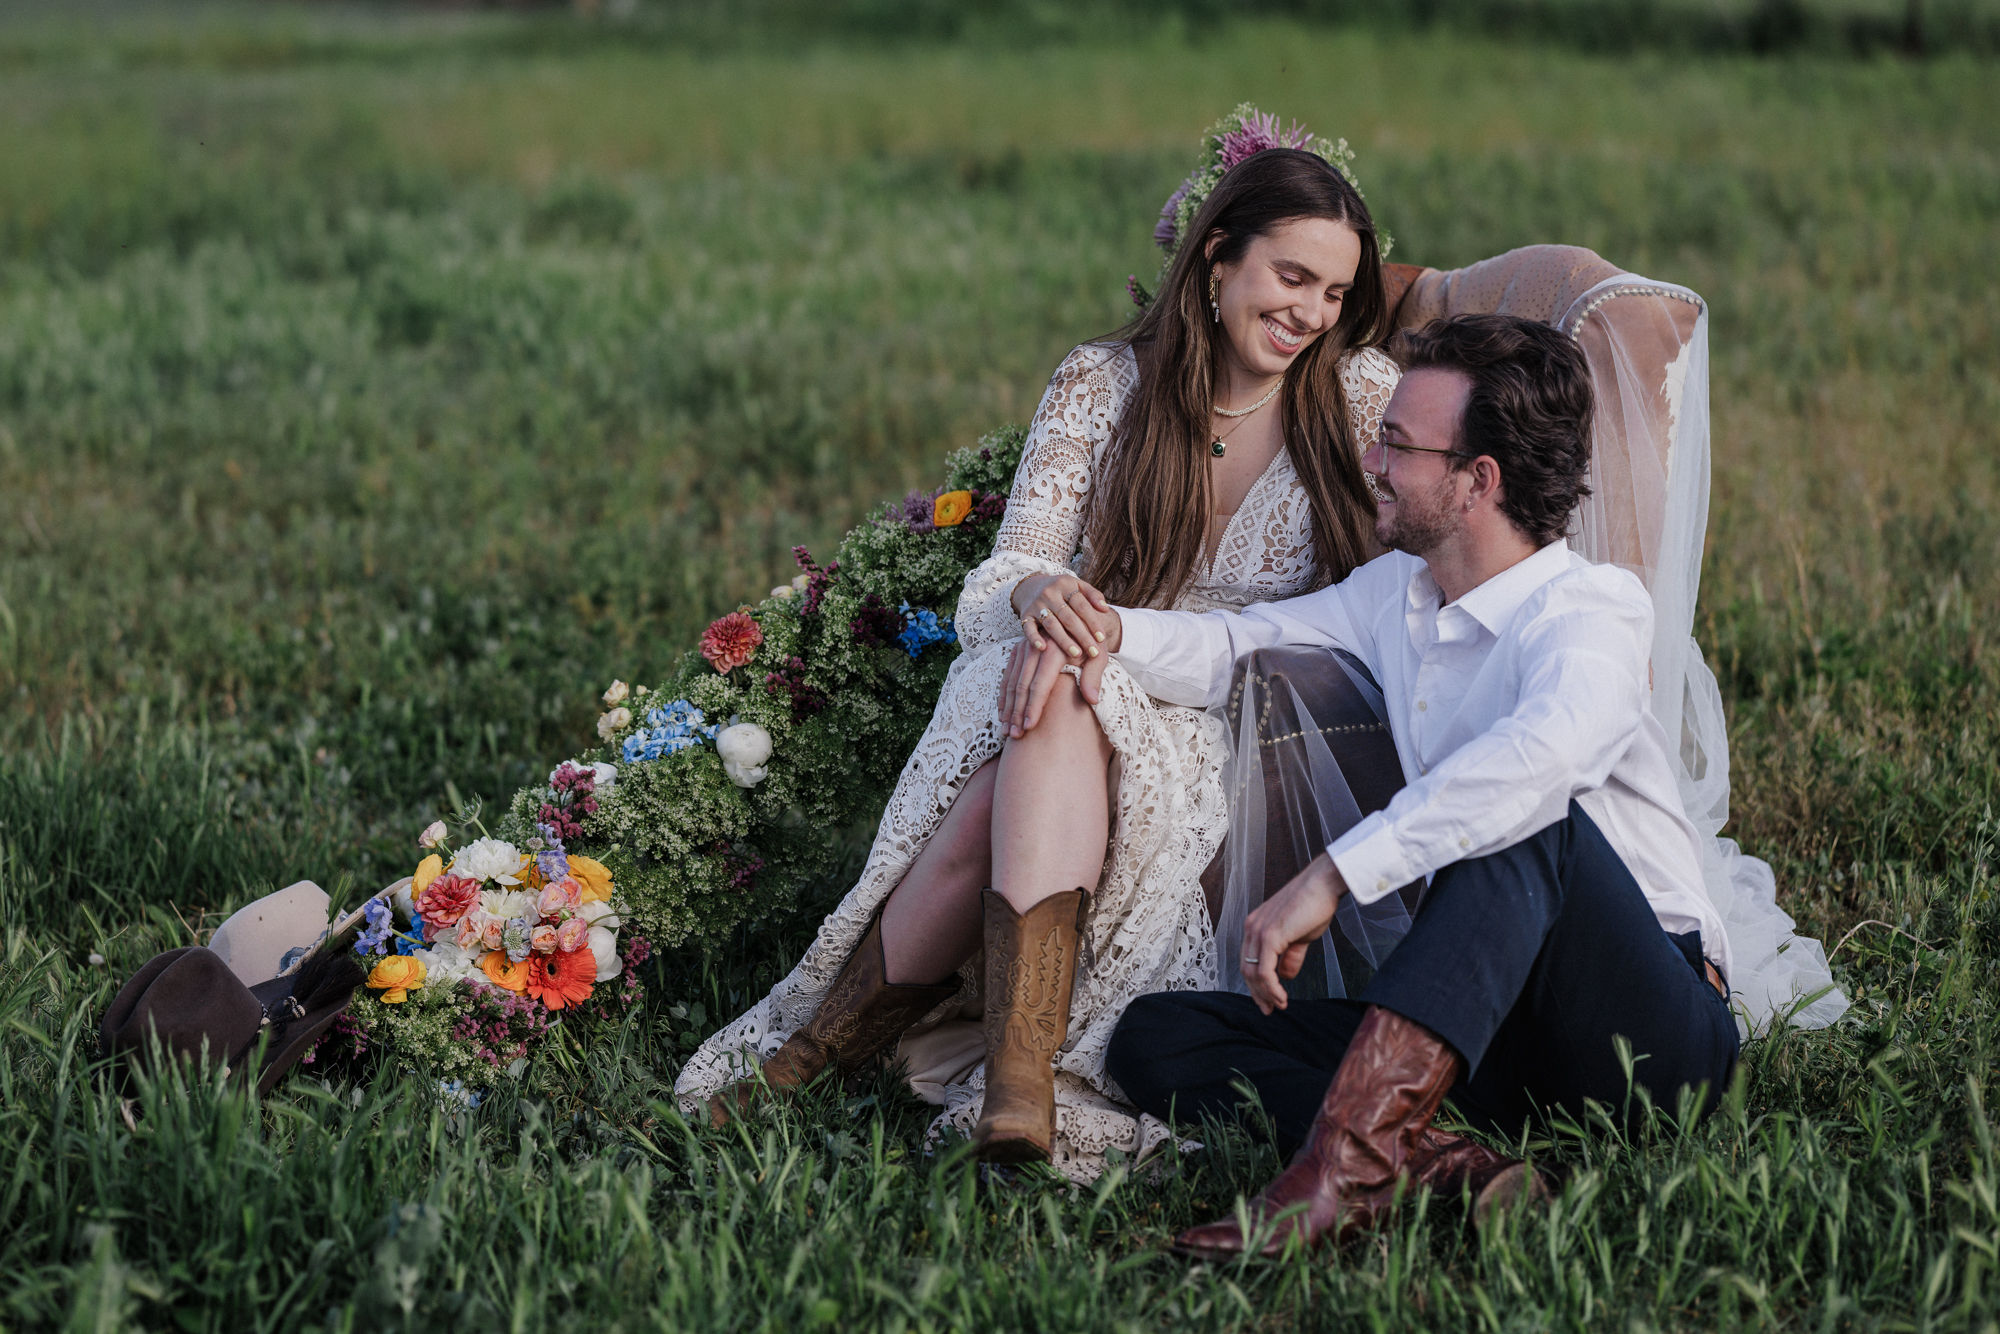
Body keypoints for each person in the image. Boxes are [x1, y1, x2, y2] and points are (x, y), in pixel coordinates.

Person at [673, 146, 1403, 1177]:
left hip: (1248, 713)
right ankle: (1011, 1095)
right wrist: (1036, 594)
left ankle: (818, 1055)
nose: (1311, 313)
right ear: (1215, 263)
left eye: (1334, 290)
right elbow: (1010, 562)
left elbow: (1389, 601)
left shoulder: (1360, 393)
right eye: (1291, 278)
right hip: (1075, 680)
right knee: (1055, 672)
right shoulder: (1104, 381)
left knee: (1046, 705)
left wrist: (1090, 643)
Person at [1087, 313, 1741, 1256]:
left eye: (1397, 443)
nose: (1370, 457)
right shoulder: (1398, 594)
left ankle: (1342, 1172)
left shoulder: (1590, 610)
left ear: (1479, 481)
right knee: (1157, 1037)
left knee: (1524, 820)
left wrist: (1332, 878)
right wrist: (1100, 629)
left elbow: (1547, 756)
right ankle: (1448, 1167)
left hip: (1644, 1042)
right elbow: (1236, 646)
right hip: (1487, 1033)